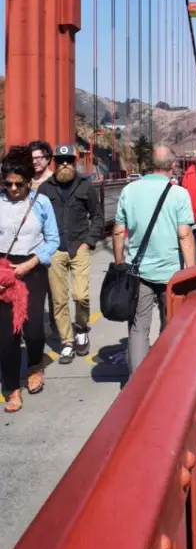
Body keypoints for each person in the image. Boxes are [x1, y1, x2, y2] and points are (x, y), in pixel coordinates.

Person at [112, 145, 196, 373]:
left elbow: (119, 231)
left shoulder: (130, 190)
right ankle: (166, 373)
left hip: (139, 272)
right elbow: (185, 235)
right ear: (171, 166)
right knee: (170, 325)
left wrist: (120, 264)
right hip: (172, 274)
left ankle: (137, 382)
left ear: (149, 165)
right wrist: (192, 272)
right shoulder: (179, 194)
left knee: (139, 328)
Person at [0, 146, 59, 413]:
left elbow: (53, 240)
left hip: (33, 270)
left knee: (33, 329)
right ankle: (12, 387)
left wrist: (31, 263)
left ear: (29, 181)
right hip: (3, 270)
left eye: (19, 184)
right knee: (7, 335)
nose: (13, 189)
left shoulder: (42, 203)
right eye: (8, 183)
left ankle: (35, 365)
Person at [39, 143, 104, 363]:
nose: (65, 164)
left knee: (80, 296)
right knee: (58, 300)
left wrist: (89, 242)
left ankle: (82, 329)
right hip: (55, 250)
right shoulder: (45, 189)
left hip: (79, 247)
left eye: (69, 161)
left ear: (75, 163)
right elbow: (37, 220)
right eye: (60, 160)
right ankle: (67, 342)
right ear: (54, 163)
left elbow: (97, 216)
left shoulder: (86, 186)